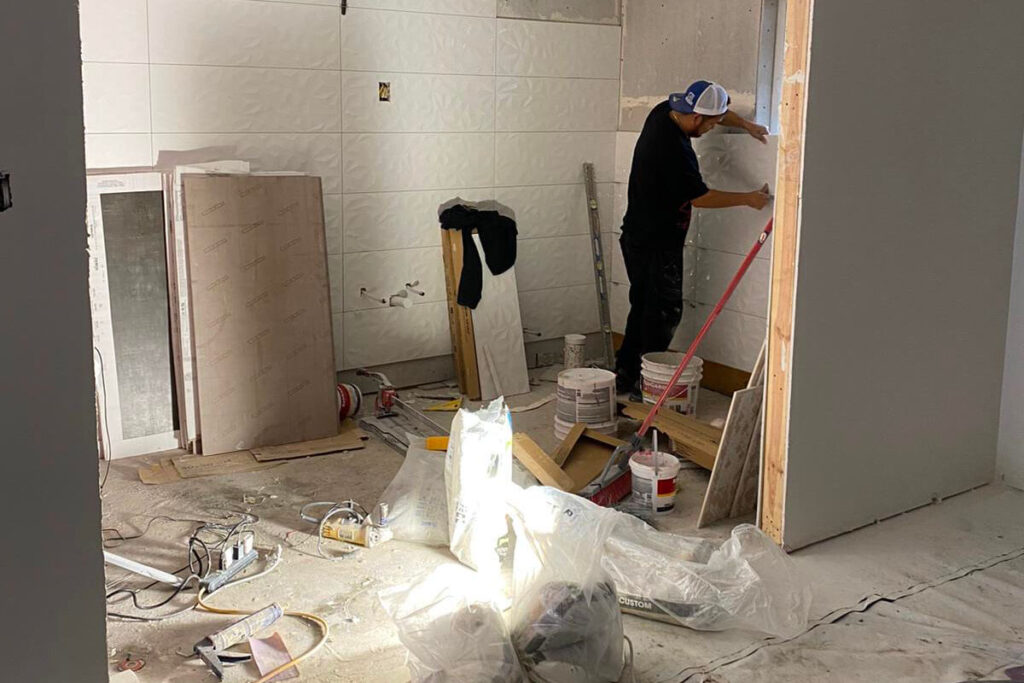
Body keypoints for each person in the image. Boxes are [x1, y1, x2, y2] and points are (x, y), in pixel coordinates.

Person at [615, 80, 772, 395]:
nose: (715, 127)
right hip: (657, 243)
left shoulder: (666, 110)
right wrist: (748, 198)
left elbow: (715, 111)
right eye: (712, 123)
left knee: (644, 306)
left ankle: (626, 374)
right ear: (696, 118)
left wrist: (745, 124)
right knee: (663, 312)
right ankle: (644, 384)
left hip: (636, 234)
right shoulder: (672, 151)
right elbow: (700, 197)